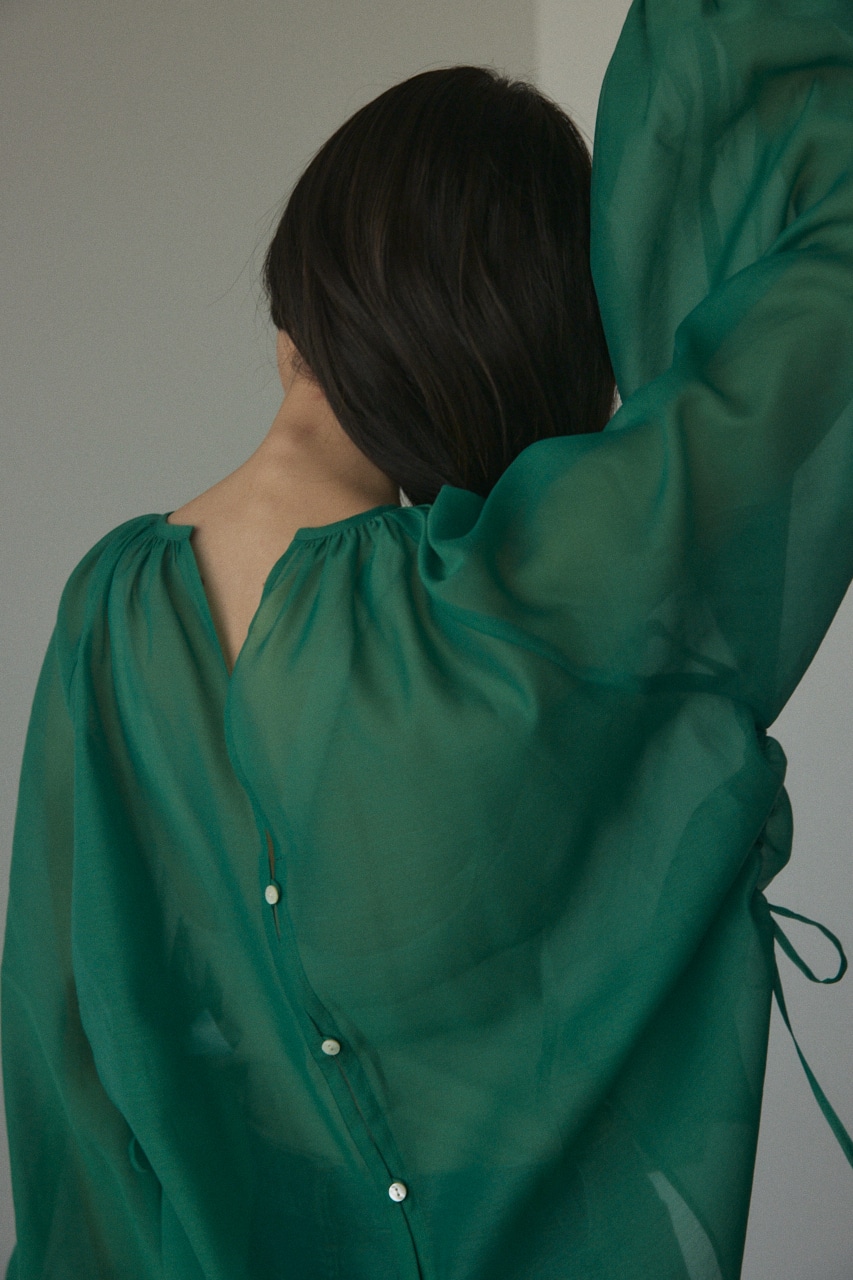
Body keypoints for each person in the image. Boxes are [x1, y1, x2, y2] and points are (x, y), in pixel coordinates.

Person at [3, 2, 853, 1278]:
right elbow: (825, 303)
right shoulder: (536, 593)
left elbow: (68, 1077)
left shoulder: (106, 615)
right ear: (523, 344)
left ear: (303, 290)